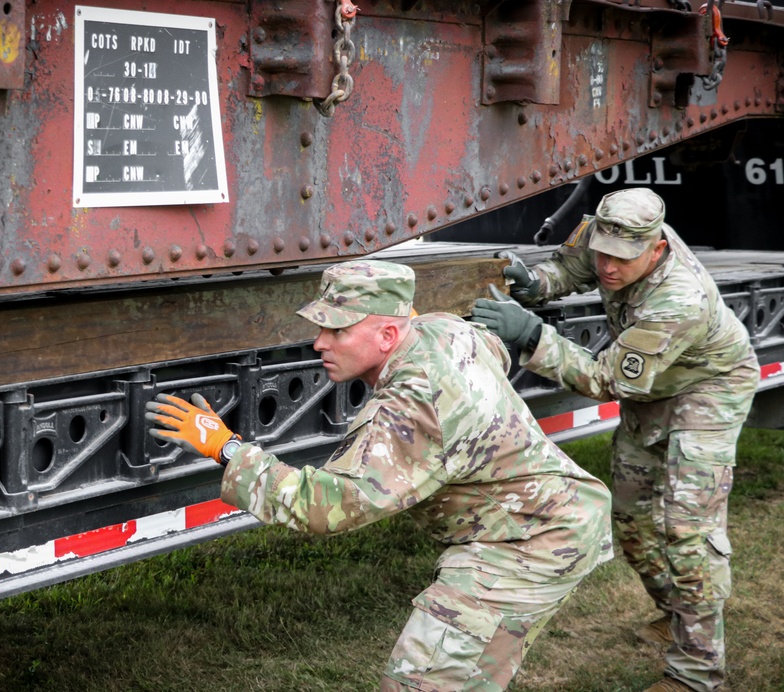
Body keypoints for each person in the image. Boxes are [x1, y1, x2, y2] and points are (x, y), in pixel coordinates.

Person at [146, 259, 613, 691]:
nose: (319, 343)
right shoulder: (443, 329)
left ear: (388, 334)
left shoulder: (414, 406)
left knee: (421, 682)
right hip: (539, 520)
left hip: (529, 544)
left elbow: (323, 507)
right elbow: (494, 350)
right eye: (320, 328)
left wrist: (225, 448)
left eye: (337, 331)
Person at [472, 188, 759, 692]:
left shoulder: (679, 300)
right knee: (629, 517)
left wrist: (532, 336)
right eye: (602, 251)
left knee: (689, 531)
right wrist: (534, 283)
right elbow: (570, 270)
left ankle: (696, 673)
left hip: (708, 387)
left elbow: (607, 381)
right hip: (651, 388)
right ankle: (679, 614)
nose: (607, 265)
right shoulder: (606, 232)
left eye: (622, 259)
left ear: (656, 249)